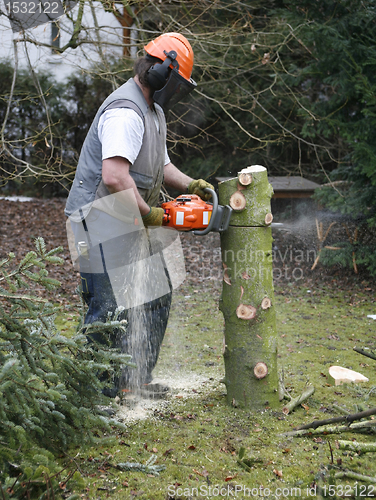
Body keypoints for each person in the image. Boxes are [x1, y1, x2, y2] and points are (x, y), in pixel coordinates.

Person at [65, 32, 213, 398]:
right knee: (108, 309)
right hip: (98, 217)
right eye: (177, 84)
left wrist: (191, 185)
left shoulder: (153, 112)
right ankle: (95, 395)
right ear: (161, 74)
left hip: (128, 215)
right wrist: (151, 215)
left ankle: (135, 380)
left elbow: (161, 166)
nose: (177, 92)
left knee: (156, 293)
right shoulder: (125, 112)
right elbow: (115, 177)